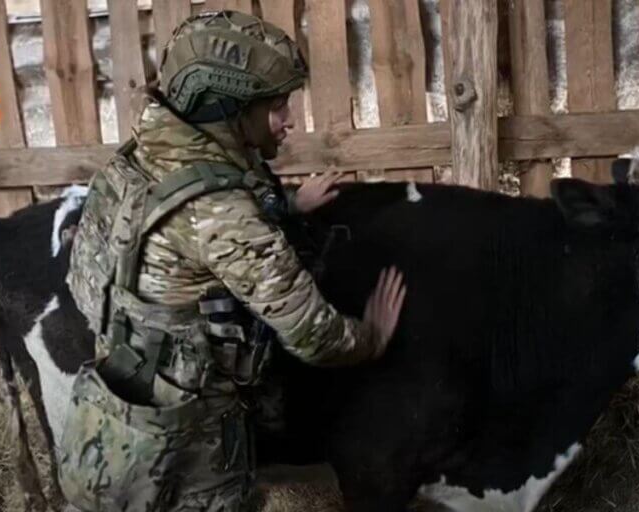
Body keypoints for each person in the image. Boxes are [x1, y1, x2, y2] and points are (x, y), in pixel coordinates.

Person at [57, 10, 407, 512]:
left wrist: (283, 207)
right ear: (227, 108)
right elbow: (312, 334)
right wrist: (370, 337)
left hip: (120, 391)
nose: (289, 122)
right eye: (278, 107)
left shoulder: (136, 159)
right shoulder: (223, 211)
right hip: (195, 429)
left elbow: (103, 275)